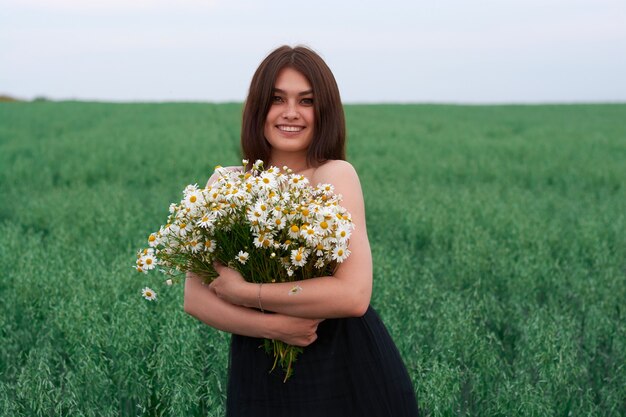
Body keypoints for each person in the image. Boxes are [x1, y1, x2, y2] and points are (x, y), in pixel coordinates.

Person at [184, 45, 419, 417]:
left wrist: (247, 292)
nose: (290, 113)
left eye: (306, 101)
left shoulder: (333, 175)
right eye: (277, 99)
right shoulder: (224, 182)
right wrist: (274, 329)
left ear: (323, 111)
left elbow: (354, 294)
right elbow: (195, 299)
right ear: (258, 107)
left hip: (345, 369)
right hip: (259, 369)